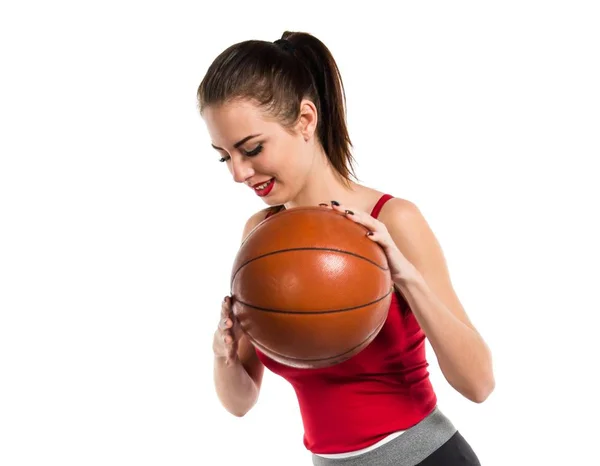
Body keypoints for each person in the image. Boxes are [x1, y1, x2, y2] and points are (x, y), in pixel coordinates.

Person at [198, 31, 494, 466]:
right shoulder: (260, 237)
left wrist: (406, 277)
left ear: (305, 119)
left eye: (252, 149)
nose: (239, 173)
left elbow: (479, 384)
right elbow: (240, 403)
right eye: (225, 157)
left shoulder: (392, 220)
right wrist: (224, 352)